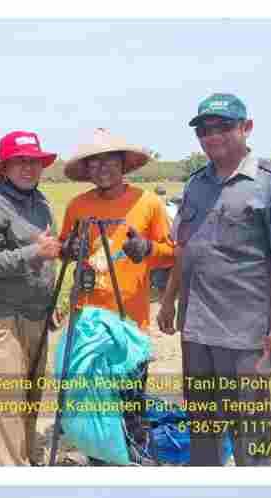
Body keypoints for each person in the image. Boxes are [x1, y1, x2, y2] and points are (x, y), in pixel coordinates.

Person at [159, 94, 271, 468]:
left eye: (224, 127)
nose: (213, 137)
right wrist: (168, 300)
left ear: (247, 127)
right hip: (196, 331)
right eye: (204, 130)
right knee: (203, 429)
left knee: (250, 434)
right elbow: (185, 247)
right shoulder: (196, 185)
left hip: (245, 335)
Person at [59, 131, 174, 458]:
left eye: (110, 160)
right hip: (88, 324)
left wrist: (147, 248)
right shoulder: (78, 205)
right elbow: (64, 249)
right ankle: (99, 461)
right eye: (93, 162)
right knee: (93, 405)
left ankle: (136, 462)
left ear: (124, 163)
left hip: (129, 323)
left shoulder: (147, 202)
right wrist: (70, 250)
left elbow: (170, 253)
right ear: (86, 170)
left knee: (130, 404)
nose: (102, 168)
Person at [0, 130, 62, 466]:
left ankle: (24, 466)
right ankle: (12, 474)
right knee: (5, 409)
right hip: (0, 322)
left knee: (29, 404)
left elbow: (47, 257)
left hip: (36, 318)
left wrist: (51, 299)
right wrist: (35, 252)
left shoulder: (42, 204)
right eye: (19, 162)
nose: (28, 168)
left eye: (33, 161)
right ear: (4, 167)